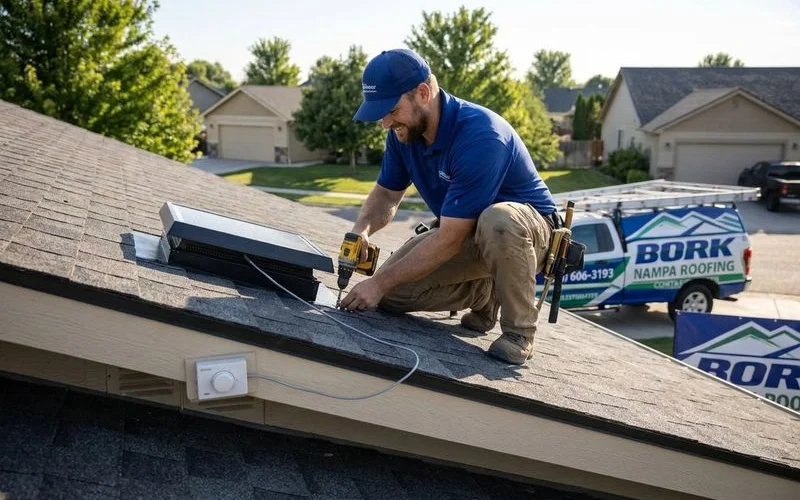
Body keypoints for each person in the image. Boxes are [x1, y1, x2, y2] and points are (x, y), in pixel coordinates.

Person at [338, 48, 558, 365]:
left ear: (423, 93)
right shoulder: (403, 133)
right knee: (391, 295)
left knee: (498, 219)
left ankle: (519, 333)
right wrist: (360, 232)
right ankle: (487, 292)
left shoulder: (481, 135)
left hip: (526, 235)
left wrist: (378, 283)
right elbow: (387, 195)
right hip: (467, 231)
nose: (385, 122)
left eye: (392, 109)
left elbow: (450, 239)